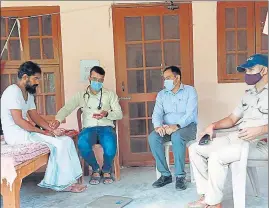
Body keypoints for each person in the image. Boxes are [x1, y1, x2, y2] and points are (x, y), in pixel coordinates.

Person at [187, 54, 268, 208]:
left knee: (217, 156)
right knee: (195, 148)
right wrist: (212, 125)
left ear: (264, 70)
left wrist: (262, 129)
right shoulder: (248, 95)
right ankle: (206, 196)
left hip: (260, 143)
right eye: (246, 70)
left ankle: (214, 204)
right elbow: (232, 119)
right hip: (238, 138)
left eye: (251, 69)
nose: (247, 74)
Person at [0, 61, 86, 193]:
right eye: (36, 78)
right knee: (59, 144)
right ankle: (61, 184)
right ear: (24, 77)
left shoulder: (27, 94)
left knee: (66, 141)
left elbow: (35, 116)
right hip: (16, 136)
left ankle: (71, 180)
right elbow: (18, 120)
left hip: (26, 133)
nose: (37, 82)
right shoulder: (12, 91)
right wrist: (42, 132)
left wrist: (51, 129)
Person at [49, 66, 123, 185]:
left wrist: (106, 113)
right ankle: (95, 169)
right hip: (89, 129)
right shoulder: (81, 95)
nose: (97, 82)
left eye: (100, 80)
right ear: (89, 78)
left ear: (103, 80)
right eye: (94, 79)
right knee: (82, 143)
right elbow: (67, 108)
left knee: (110, 146)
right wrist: (58, 119)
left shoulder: (110, 95)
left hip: (106, 128)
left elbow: (119, 114)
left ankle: (106, 169)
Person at [148, 66, 198, 190]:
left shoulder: (190, 91)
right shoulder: (162, 94)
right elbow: (157, 113)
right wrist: (158, 126)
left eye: (168, 78)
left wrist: (177, 126)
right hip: (167, 128)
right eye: (164, 79)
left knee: (177, 136)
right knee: (153, 137)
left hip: (187, 127)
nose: (166, 81)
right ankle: (165, 175)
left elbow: (190, 114)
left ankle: (180, 176)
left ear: (177, 78)